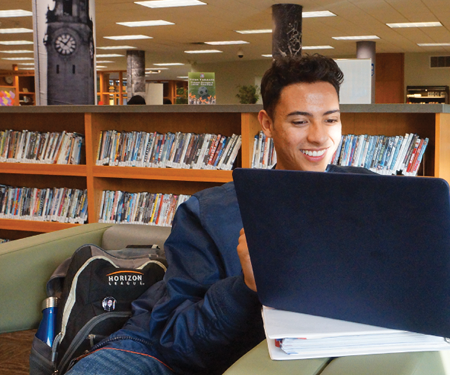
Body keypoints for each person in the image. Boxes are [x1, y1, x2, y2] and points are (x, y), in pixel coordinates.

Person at [67, 54, 371, 375]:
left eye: (330, 119)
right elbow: (176, 341)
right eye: (299, 121)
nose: (319, 137)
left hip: (320, 348)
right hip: (167, 350)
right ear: (267, 123)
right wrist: (248, 286)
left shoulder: (370, 195)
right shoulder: (210, 212)